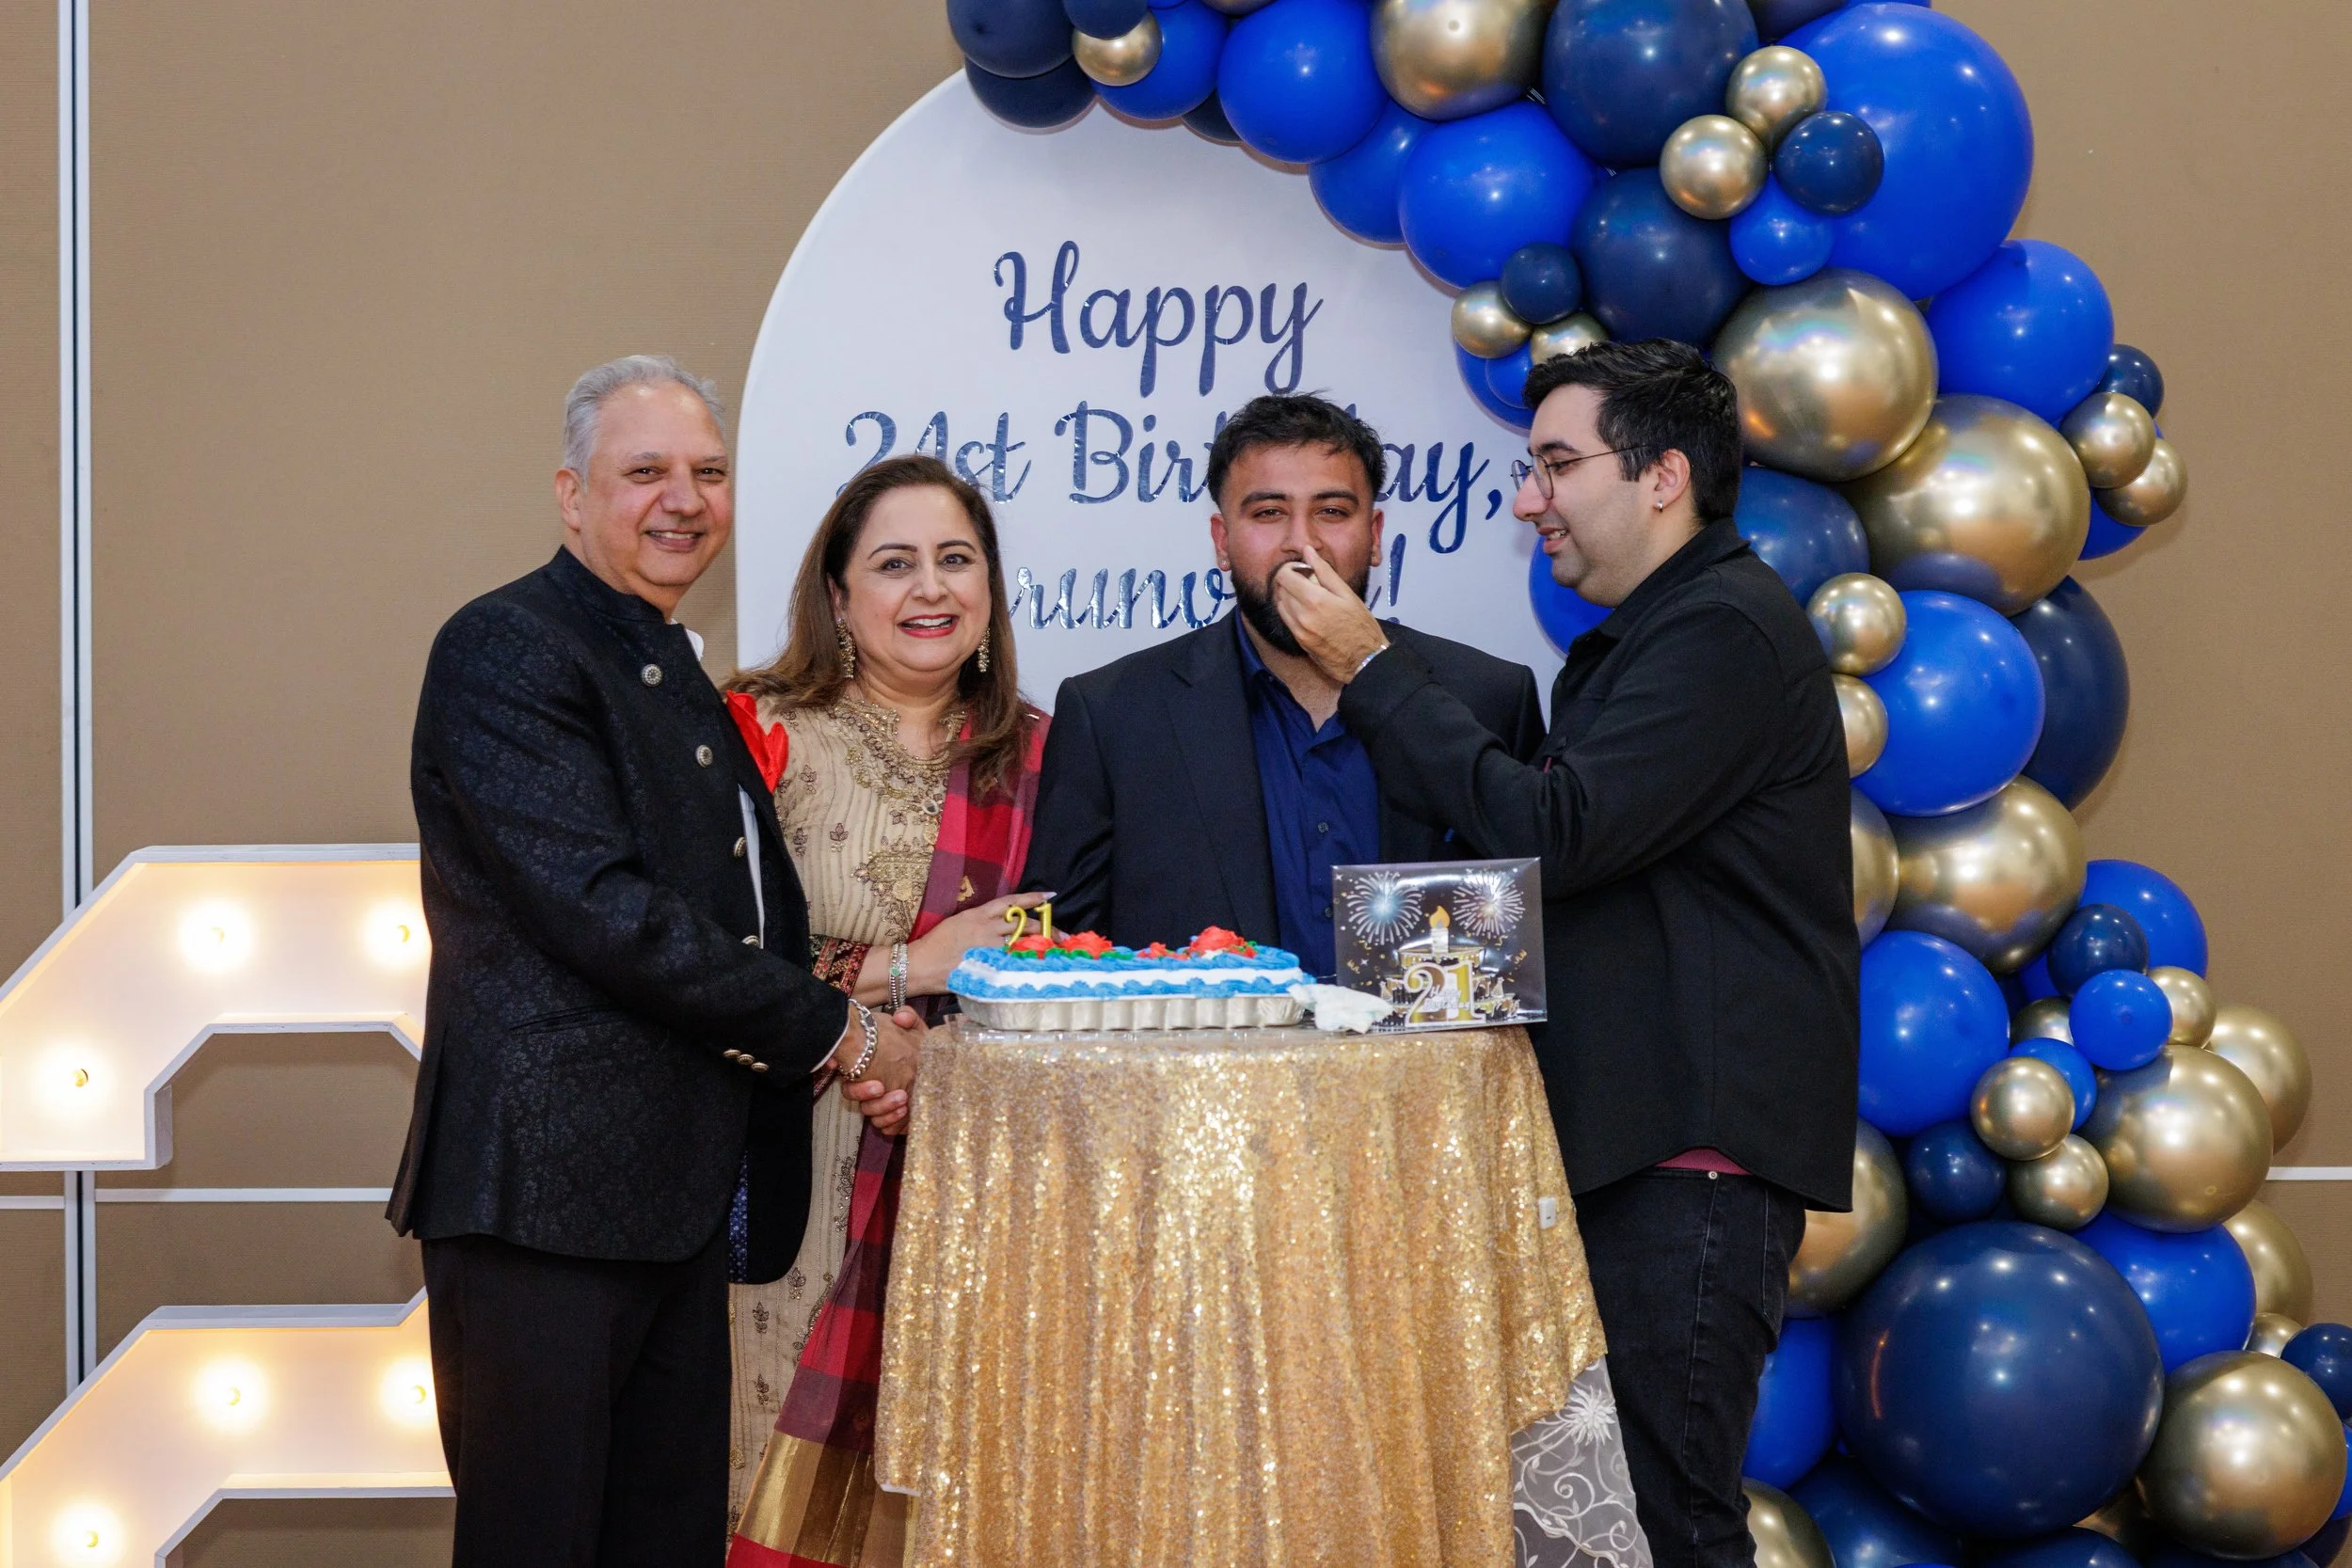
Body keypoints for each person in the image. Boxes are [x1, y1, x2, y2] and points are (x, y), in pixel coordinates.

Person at [1272, 341, 1860, 1568]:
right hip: (1625, 1148)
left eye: (1554, 463)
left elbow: (1555, 831)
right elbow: (1568, 880)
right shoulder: (1655, 632)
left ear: (1663, 476)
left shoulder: (1723, 632)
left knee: (1661, 1517)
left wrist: (1370, 665)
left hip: (1686, 1161)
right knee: (1598, 1521)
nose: (1528, 496)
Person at [389, 355, 921, 1568]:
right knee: (543, 1542)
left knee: (666, 1541)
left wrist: (842, 1023)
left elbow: (738, 922)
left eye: (708, 472)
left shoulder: (669, 664)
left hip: (674, 1201)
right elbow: (607, 912)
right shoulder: (508, 647)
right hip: (546, 1201)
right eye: (646, 472)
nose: (683, 498)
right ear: (573, 495)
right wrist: (846, 1035)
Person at [721, 454, 1049, 1562]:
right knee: (766, 1477)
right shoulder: (758, 734)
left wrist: (940, 1066)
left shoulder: (1048, 756)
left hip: (979, 1173)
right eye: (894, 562)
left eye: (957, 560)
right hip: (788, 1158)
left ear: (992, 589)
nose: (931, 588)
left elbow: (1084, 978)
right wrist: (918, 962)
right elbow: (706, 960)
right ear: (835, 594)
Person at [1024, 393, 1545, 978]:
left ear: (1374, 535)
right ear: (1222, 541)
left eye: (1332, 512)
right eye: (1269, 513)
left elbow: (1532, 944)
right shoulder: (1113, 715)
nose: (1304, 544)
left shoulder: (1489, 698)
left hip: (1430, 1070)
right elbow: (1060, 958)